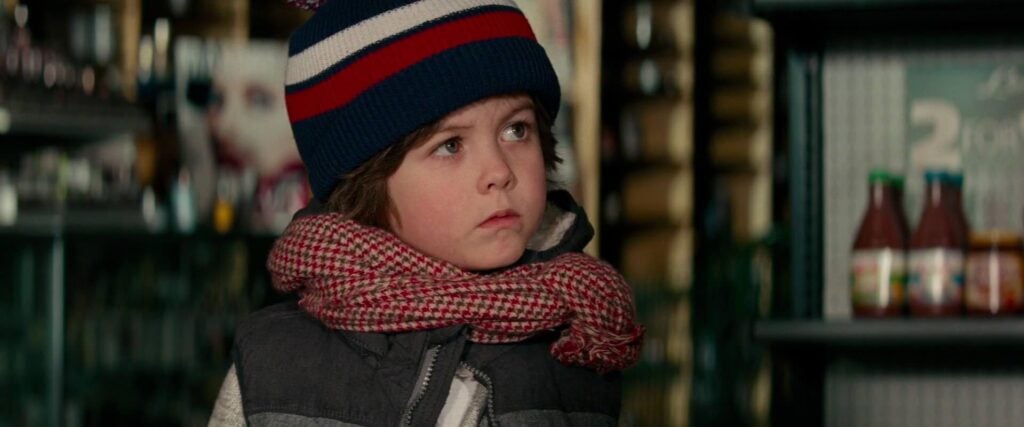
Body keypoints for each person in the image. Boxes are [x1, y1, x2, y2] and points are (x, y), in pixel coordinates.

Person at [208, 0, 644, 425]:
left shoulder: (579, 345)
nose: (499, 172)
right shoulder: (274, 361)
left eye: (516, 129)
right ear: (365, 178)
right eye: (450, 145)